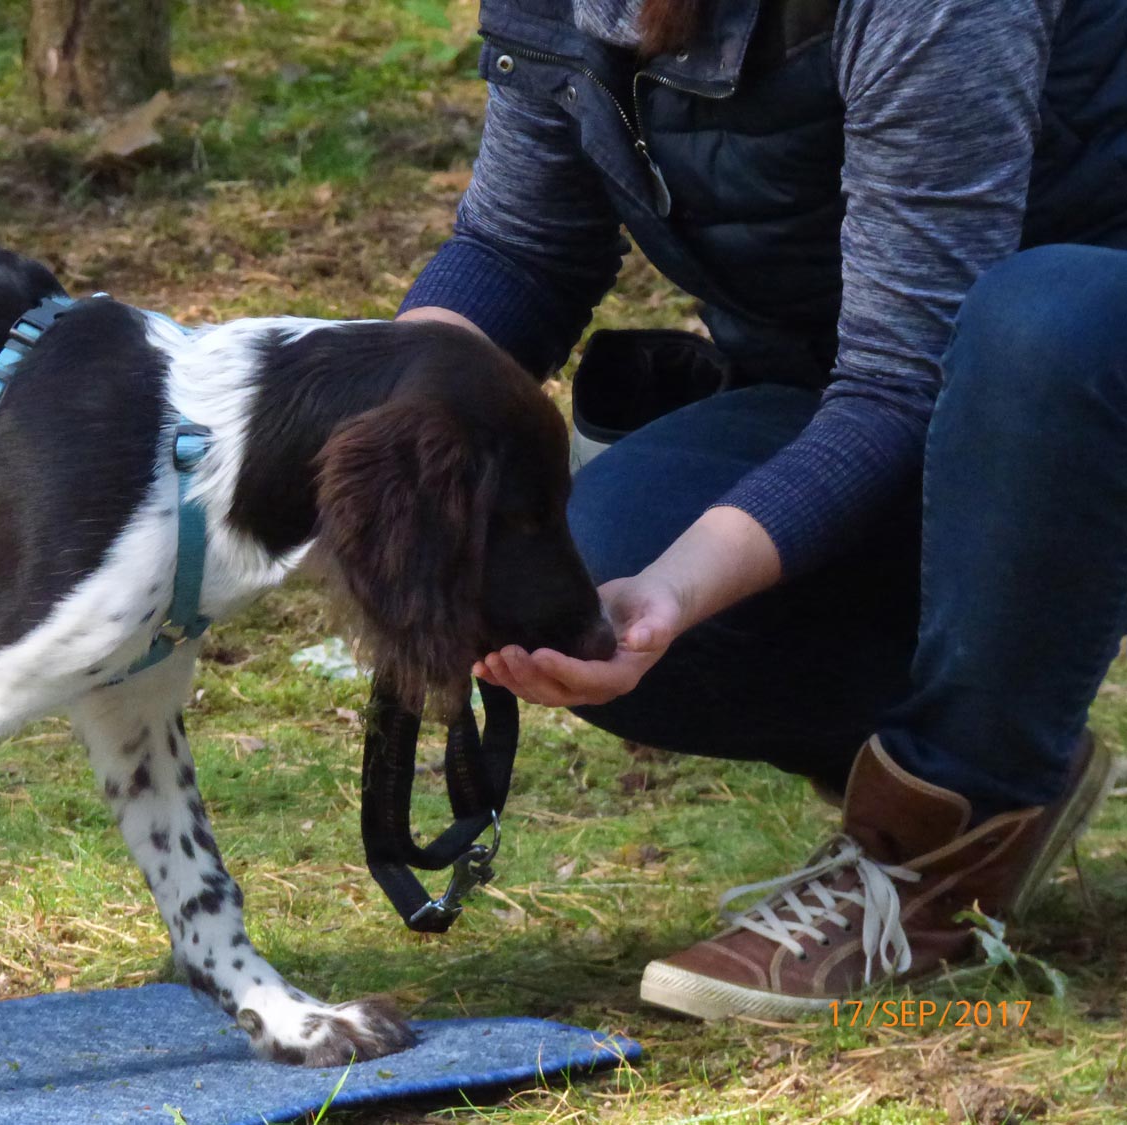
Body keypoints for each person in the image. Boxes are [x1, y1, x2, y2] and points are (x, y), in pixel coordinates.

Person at [397, 0, 1127, 1020]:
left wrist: (675, 590)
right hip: (870, 390)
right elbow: (526, 249)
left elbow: (901, 379)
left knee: (1046, 321)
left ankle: (942, 832)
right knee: (598, 567)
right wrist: (361, 427)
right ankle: (997, 727)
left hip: (1075, 381)